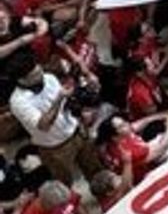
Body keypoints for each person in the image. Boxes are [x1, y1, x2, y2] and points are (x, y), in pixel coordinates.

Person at [7, 48, 101, 184]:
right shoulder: (18, 101)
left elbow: (66, 103)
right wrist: (59, 98)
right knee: (64, 184)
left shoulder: (49, 78)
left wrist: (82, 112)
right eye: (35, 75)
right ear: (21, 80)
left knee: (95, 169)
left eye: (39, 70)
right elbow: (43, 125)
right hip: (55, 147)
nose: (41, 75)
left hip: (76, 131)